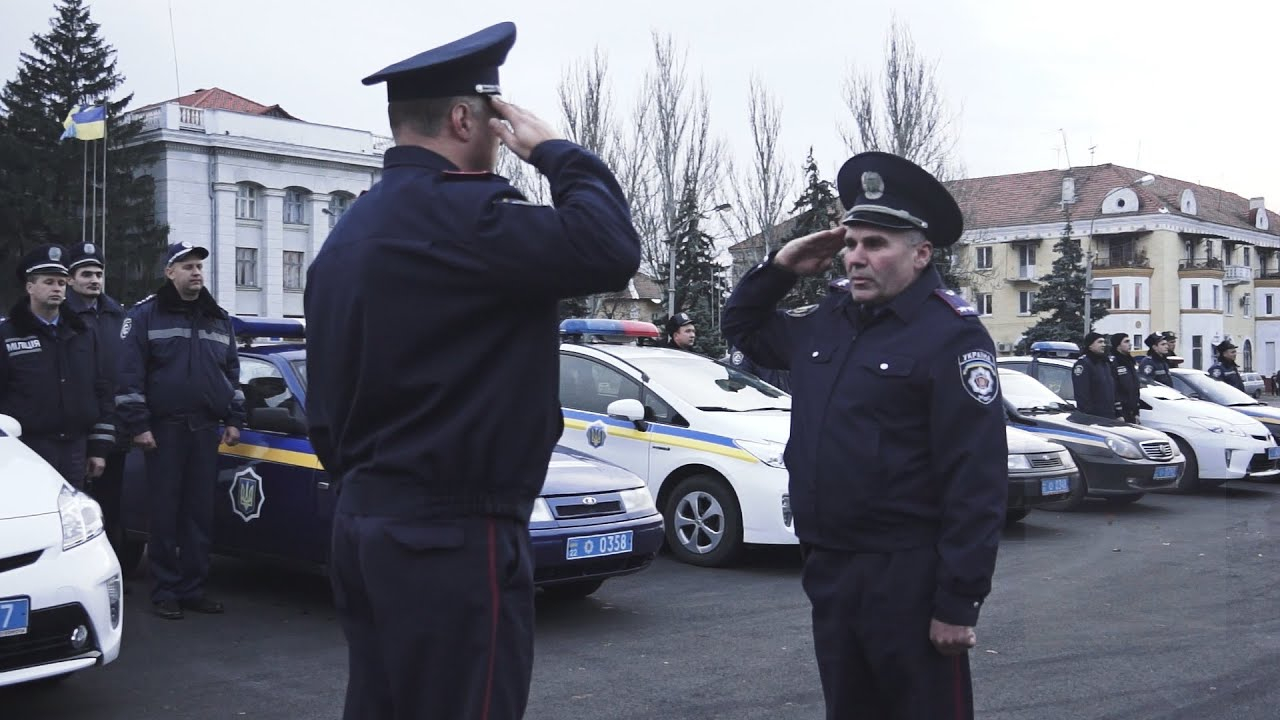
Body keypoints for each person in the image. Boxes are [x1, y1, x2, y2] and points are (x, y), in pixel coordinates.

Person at [304, 22, 641, 720]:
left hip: (365, 520)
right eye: (492, 119)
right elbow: (610, 248)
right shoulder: (469, 216)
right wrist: (556, 152)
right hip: (451, 532)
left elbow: (326, 406)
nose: (499, 136)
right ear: (464, 117)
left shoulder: (349, 234)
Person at [722, 151, 1007, 720]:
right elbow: (743, 328)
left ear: (921, 254)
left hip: (909, 575)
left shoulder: (951, 336)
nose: (855, 257)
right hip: (830, 566)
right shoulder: (829, 320)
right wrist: (779, 267)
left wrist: (959, 601)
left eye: (875, 244)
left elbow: (975, 480)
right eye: (850, 242)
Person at [117, 241, 244, 620]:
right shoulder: (145, 316)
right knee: (165, 513)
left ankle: (193, 588)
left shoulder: (217, 318)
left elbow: (232, 374)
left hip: (205, 429)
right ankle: (165, 590)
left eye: (199, 267)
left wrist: (235, 418)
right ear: (169, 272)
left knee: (198, 514)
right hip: (163, 429)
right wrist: (138, 425)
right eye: (187, 266)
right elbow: (128, 374)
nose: (196, 273)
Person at [0, 244, 113, 486]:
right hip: (25, 448)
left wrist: (99, 447)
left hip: (75, 448)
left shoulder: (83, 333)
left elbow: (101, 389)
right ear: (30, 287)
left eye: (61, 283)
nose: (57, 288)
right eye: (49, 282)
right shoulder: (8, 334)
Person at [63, 242, 130, 555]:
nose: (94, 279)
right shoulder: (61, 314)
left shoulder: (118, 315)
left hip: (114, 426)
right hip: (73, 426)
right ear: (71, 279)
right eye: (86, 273)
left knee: (110, 505)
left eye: (99, 273)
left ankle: (109, 569)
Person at [1071, 331, 1118, 419]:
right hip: (1093, 417)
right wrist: (1089, 415)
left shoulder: (1105, 363)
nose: (1103, 345)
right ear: (1090, 345)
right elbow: (1082, 394)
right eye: (1100, 342)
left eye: (1104, 342)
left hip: (1108, 415)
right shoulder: (1084, 364)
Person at [1109, 333, 1141, 423]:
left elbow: (1135, 387)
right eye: (1126, 341)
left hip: (1131, 410)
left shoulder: (1129, 361)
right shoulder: (1113, 363)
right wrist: (1118, 413)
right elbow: (1114, 389)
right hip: (1121, 411)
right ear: (1118, 345)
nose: (1130, 344)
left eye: (1129, 341)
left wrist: (1136, 412)